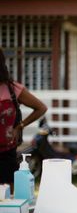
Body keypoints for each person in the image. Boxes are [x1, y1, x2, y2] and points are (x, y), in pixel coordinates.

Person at [0, 48, 47, 192]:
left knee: (9, 198)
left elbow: (41, 108)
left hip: (6, 153)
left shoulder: (12, 89)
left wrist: (20, 126)